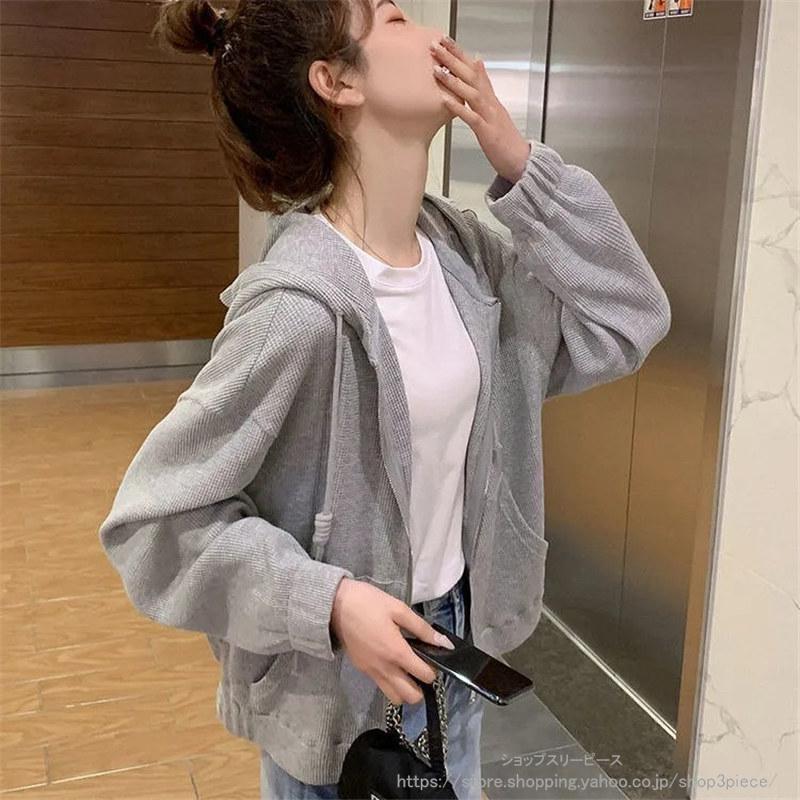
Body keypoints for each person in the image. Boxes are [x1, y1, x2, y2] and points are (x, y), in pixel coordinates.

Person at [98, 0, 672, 798]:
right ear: (335, 82)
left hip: (454, 650)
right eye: (390, 18)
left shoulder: (468, 260)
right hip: (334, 694)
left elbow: (629, 315)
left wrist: (524, 168)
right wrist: (328, 603)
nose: (418, 21)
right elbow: (152, 521)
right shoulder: (295, 311)